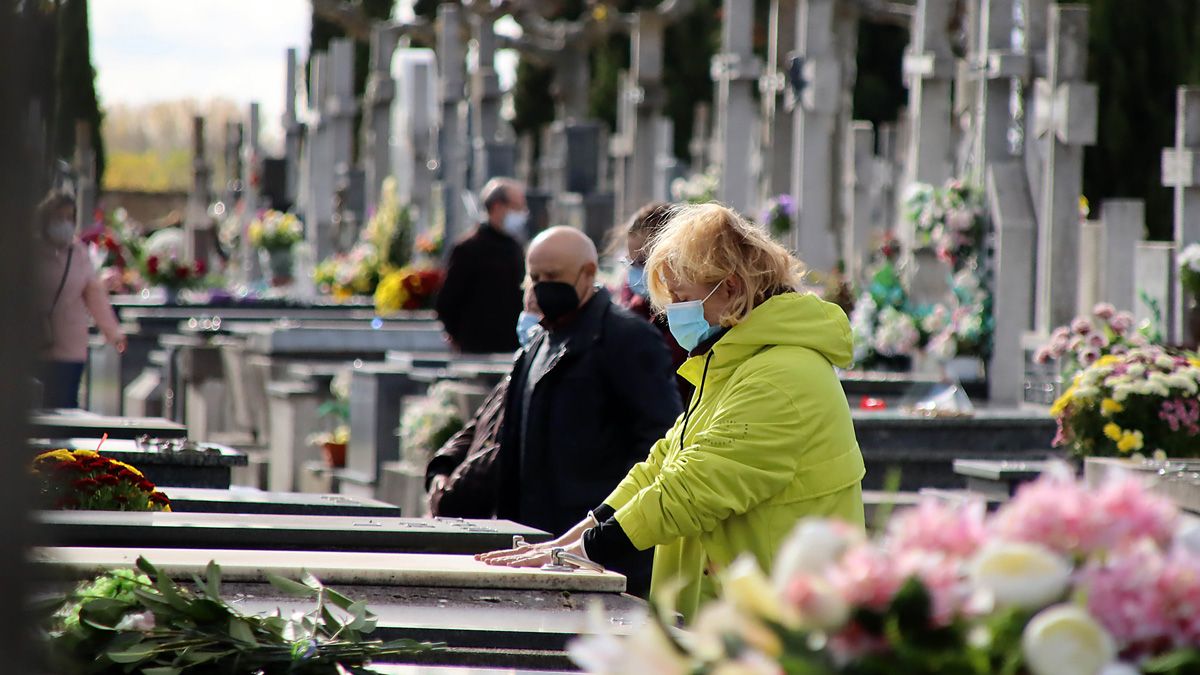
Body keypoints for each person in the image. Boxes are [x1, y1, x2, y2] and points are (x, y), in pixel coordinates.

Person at [480, 204, 866, 621]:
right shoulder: (737, 361)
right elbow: (665, 460)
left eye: (683, 298)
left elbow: (694, 486)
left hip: (777, 623)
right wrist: (580, 533)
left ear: (732, 289)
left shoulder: (780, 375)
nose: (676, 312)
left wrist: (586, 550)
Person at [494, 226, 683, 596]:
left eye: (554, 277)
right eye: (535, 277)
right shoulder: (536, 345)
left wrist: (605, 533)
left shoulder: (627, 340)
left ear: (587, 274)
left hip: (597, 553)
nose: (542, 286)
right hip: (535, 544)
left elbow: (656, 447)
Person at [424, 293, 543, 518]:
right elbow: (477, 425)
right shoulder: (518, 369)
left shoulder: (538, 376)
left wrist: (448, 494)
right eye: (528, 307)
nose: (529, 318)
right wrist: (442, 467)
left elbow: (500, 453)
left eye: (537, 310)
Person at [36, 190, 126, 408]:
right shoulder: (31, 251)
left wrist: (113, 333)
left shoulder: (79, 254)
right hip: (35, 343)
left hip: (69, 347)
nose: (65, 224)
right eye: (59, 218)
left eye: (70, 218)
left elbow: (95, 296)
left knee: (65, 407)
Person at [435, 177, 527, 353]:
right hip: (475, 347)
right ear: (498, 207)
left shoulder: (514, 247)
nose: (523, 213)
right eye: (517, 207)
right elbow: (447, 301)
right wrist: (458, 337)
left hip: (511, 347)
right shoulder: (468, 248)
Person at [613, 201, 691, 400]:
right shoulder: (636, 309)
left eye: (643, 262)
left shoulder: (691, 317)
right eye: (630, 263)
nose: (636, 273)